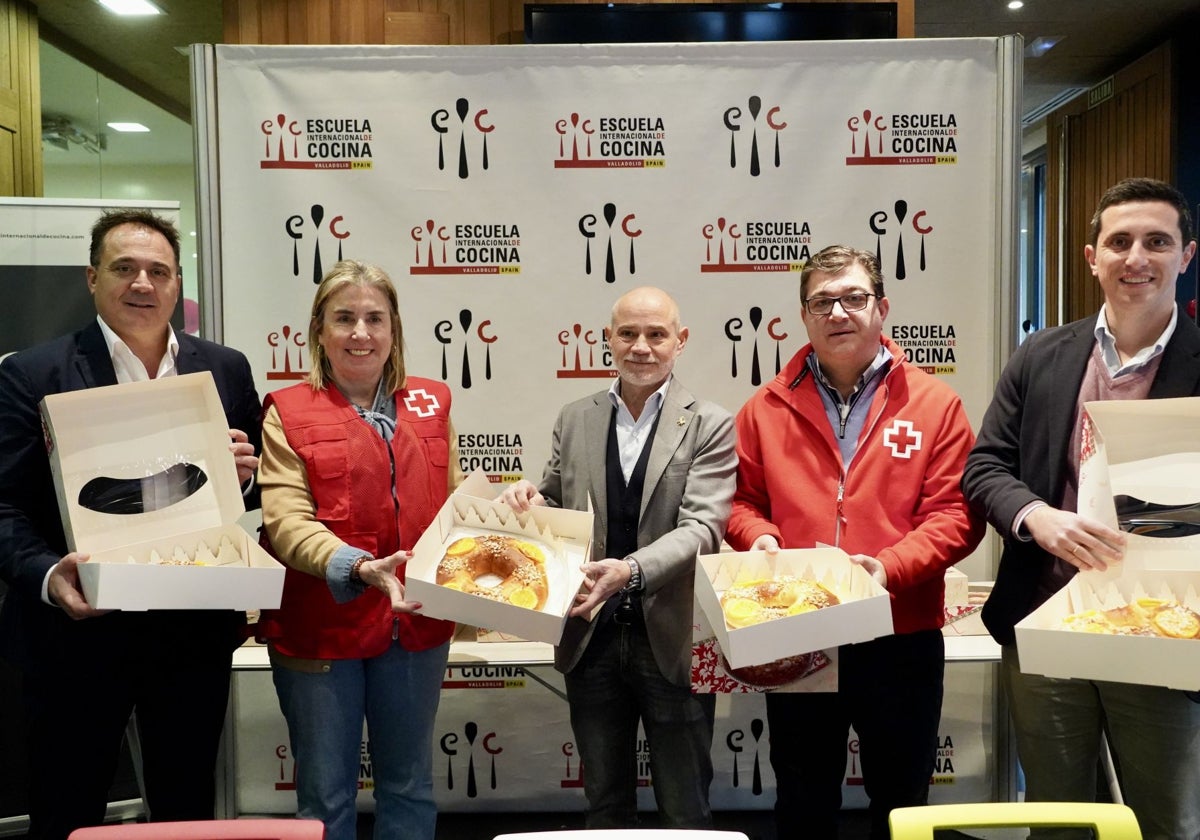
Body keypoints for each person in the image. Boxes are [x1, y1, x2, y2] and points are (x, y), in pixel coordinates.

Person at [0, 209, 262, 840]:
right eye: (124, 268)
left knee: (185, 807)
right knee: (67, 806)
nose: (142, 283)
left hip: (191, 627)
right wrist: (43, 574)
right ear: (93, 278)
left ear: (177, 284)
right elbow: (3, 504)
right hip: (75, 630)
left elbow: (249, 485)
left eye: (158, 271)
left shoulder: (224, 368)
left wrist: (244, 473)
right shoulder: (33, 374)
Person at [962, 177, 1200, 840]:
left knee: (1167, 822)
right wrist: (1035, 515)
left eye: (1157, 241)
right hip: (1045, 624)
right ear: (1090, 256)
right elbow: (984, 468)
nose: (1136, 258)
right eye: (1119, 241)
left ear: (1186, 256)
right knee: (1060, 819)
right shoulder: (1041, 355)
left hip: (1166, 635)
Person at [725, 245, 984, 840]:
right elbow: (739, 504)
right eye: (822, 301)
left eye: (853, 298)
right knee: (802, 797)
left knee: (901, 801)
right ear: (804, 316)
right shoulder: (764, 408)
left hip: (900, 632)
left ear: (882, 308)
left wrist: (888, 568)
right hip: (795, 629)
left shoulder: (935, 404)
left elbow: (956, 516)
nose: (838, 312)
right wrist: (759, 536)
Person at [499, 286, 736, 829]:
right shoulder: (574, 417)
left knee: (686, 808)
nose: (641, 347)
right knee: (604, 804)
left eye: (656, 334)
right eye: (627, 333)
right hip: (590, 637)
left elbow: (702, 528)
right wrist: (528, 500)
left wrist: (630, 571)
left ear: (681, 341)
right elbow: (557, 500)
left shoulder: (710, 423)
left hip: (672, 639)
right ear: (607, 339)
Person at [256, 260, 459, 840]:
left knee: (410, 787)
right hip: (322, 626)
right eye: (344, 318)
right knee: (325, 798)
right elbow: (286, 522)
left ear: (394, 330)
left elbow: (453, 510)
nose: (360, 333)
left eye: (375, 318)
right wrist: (358, 567)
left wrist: (507, 504)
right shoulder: (288, 412)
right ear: (318, 329)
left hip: (416, 626)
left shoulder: (433, 403)